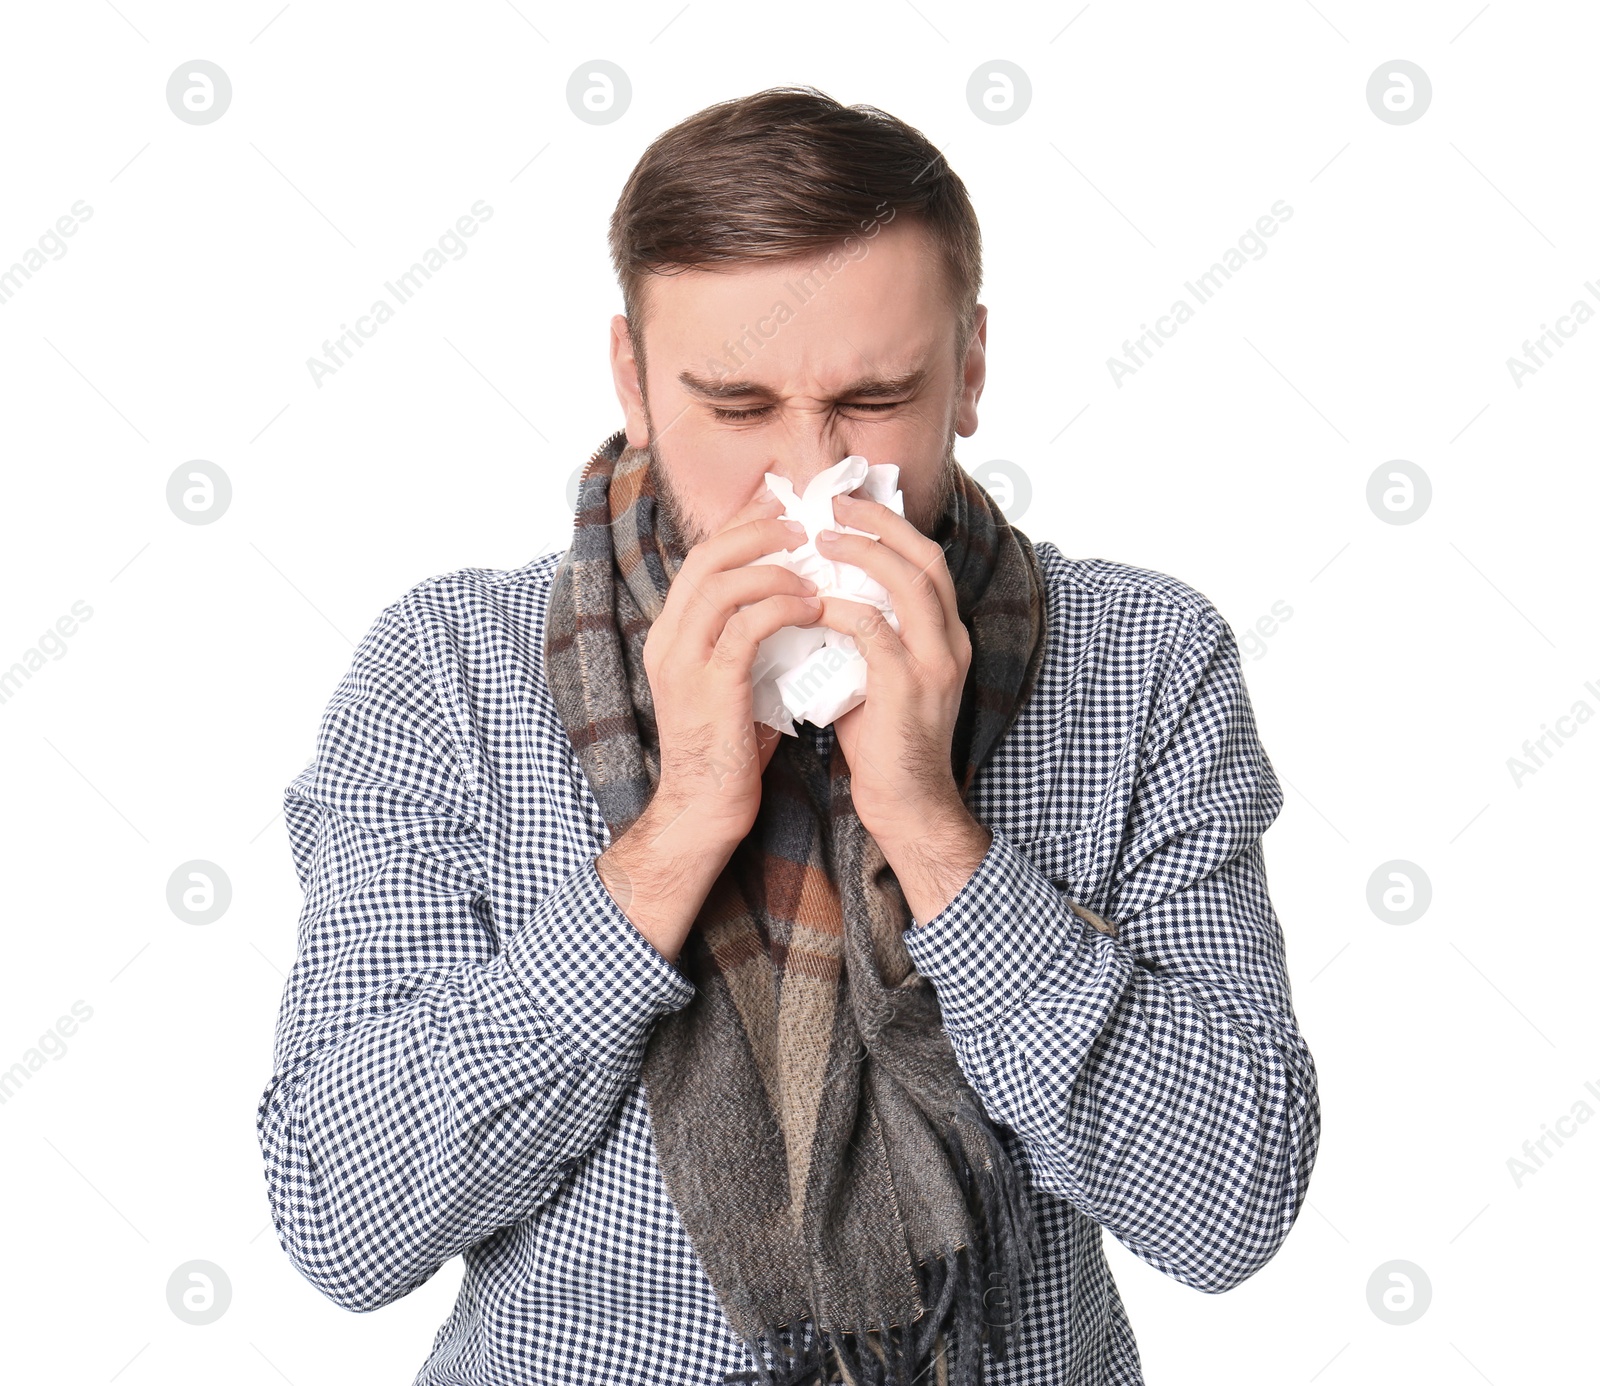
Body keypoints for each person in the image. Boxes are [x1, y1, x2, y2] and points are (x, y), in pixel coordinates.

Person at [255, 85, 1320, 1386]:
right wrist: (684, 820)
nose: (809, 479)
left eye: (873, 397)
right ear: (634, 382)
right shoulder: (445, 669)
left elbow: (1232, 1204)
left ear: (970, 370)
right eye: (737, 406)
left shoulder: (1146, 659)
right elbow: (342, 1217)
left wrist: (937, 831)